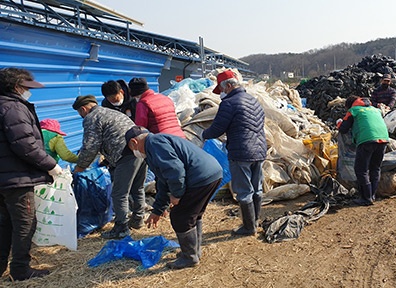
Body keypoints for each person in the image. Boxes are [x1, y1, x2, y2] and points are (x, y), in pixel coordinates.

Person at [126, 126, 222, 269]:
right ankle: (193, 251)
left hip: (200, 177)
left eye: (131, 149)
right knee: (194, 214)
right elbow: (163, 181)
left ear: (134, 142)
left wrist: (177, 194)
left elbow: (175, 171)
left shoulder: (154, 144)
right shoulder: (155, 145)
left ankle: (190, 257)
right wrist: (157, 210)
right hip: (212, 173)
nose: (134, 153)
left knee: (180, 217)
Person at [0, 67, 62, 280]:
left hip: (4, 178)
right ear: (17, 86)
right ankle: (20, 269)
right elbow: (25, 144)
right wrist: (51, 165)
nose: (29, 91)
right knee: (25, 223)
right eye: (27, 87)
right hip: (16, 179)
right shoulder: (13, 108)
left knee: (5, 224)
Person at [71, 95, 148, 239]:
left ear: (83, 109)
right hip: (141, 149)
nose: (81, 116)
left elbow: (90, 146)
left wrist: (80, 167)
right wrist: (106, 161)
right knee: (137, 187)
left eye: (80, 113)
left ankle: (121, 228)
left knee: (119, 194)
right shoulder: (110, 112)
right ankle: (138, 219)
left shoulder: (91, 117)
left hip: (125, 154)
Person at [202, 70, 267, 236]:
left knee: (244, 191)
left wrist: (203, 134)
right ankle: (255, 221)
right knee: (257, 188)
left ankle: (248, 227)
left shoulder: (229, 103)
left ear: (229, 86)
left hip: (241, 152)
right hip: (259, 150)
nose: (221, 94)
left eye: (222, 90)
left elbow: (217, 129)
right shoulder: (253, 100)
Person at [337, 95, 389, 206]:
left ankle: (366, 198)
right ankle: (372, 195)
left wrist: (339, 122)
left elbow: (343, 129)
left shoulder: (353, 110)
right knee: (375, 168)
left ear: (349, 105)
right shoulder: (375, 110)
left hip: (367, 140)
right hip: (384, 139)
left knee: (361, 170)